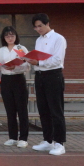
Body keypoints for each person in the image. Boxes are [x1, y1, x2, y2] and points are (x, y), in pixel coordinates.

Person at [28, 13, 67, 156]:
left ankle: (59, 143)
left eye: (40, 26)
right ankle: (48, 140)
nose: (38, 29)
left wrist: (39, 62)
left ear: (47, 24)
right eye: (36, 27)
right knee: (43, 110)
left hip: (53, 76)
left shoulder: (58, 38)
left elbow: (57, 60)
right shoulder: (38, 40)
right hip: (40, 76)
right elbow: (37, 58)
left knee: (56, 110)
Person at [0, 26, 30, 148]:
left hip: (18, 79)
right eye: (7, 36)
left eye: (12, 35)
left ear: (16, 36)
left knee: (22, 110)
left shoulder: (21, 48)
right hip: (6, 80)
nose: (10, 38)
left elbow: (27, 65)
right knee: (10, 110)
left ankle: (23, 138)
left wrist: (16, 67)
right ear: (4, 38)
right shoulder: (1, 50)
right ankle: (12, 137)